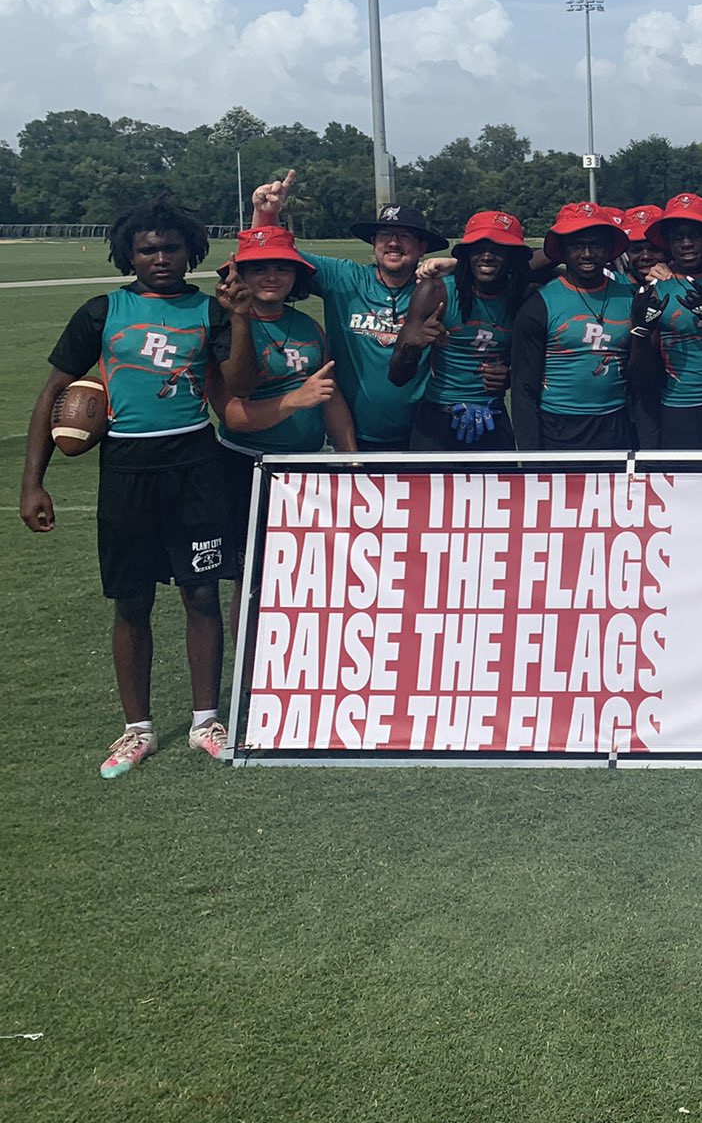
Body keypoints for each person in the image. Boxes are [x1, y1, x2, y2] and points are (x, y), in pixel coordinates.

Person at [20, 195, 258, 777]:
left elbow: (242, 384)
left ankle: (206, 720)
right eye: (147, 249)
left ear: (189, 251)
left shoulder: (210, 310)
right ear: (128, 253)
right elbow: (52, 395)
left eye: (170, 248)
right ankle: (138, 730)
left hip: (195, 463)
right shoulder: (102, 312)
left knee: (201, 593)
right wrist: (33, 483)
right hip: (126, 469)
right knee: (131, 601)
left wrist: (241, 318)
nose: (160, 258)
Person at [249, 170, 445, 450]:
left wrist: (453, 264)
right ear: (374, 242)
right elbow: (273, 253)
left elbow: (492, 276)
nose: (393, 242)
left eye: (404, 236)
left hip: (421, 434)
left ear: (422, 247)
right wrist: (266, 213)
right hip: (350, 431)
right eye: (385, 235)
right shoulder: (343, 277)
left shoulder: (437, 288)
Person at [211, 227, 356, 535]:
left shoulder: (308, 326)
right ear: (240, 275)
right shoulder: (227, 328)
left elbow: (330, 395)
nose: (272, 277)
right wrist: (294, 400)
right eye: (259, 269)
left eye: (282, 269)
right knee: (249, 559)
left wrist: (350, 458)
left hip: (307, 466)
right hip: (246, 464)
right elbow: (234, 417)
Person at [393, 210, 530, 452]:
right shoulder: (435, 292)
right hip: (438, 416)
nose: (487, 256)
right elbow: (397, 375)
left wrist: (510, 375)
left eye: (498, 249)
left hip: (492, 415)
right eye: (478, 249)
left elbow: (558, 262)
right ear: (467, 254)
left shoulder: (523, 295)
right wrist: (411, 348)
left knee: (502, 479)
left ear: (513, 256)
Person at [511, 204, 639, 450]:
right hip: (558, 428)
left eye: (596, 245)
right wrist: (531, 456)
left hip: (616, 426)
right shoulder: (539, 305)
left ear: (609, 250)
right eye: (577, 246)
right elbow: (523, 388)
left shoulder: (631, 297)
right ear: (563, 250)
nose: (587, 254)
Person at [635, 193, 702, 449]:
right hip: (680, 405)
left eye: (694, 236)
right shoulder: (656, 287)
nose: (686, 243)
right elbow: (645, 363)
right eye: (677, 237)